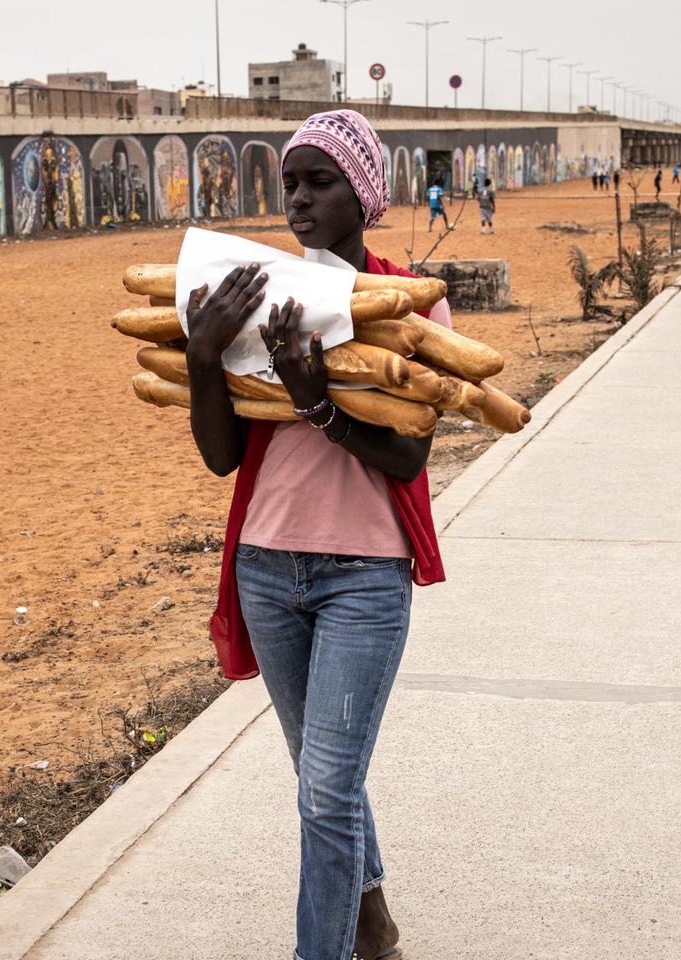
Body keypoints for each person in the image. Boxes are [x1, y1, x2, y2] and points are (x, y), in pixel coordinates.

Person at [184, 108, 448, 960]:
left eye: (318, 181)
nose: (297, 199)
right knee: (321, 782)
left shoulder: (410, 305)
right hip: (266, 568)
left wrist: (317, 403)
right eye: (290, 182)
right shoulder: (255, 292)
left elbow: (406, 458)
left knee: (327, 790)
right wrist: (204, 359)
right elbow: (223, 458)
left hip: (363, 577)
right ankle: (374, 929)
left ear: (362, 195)